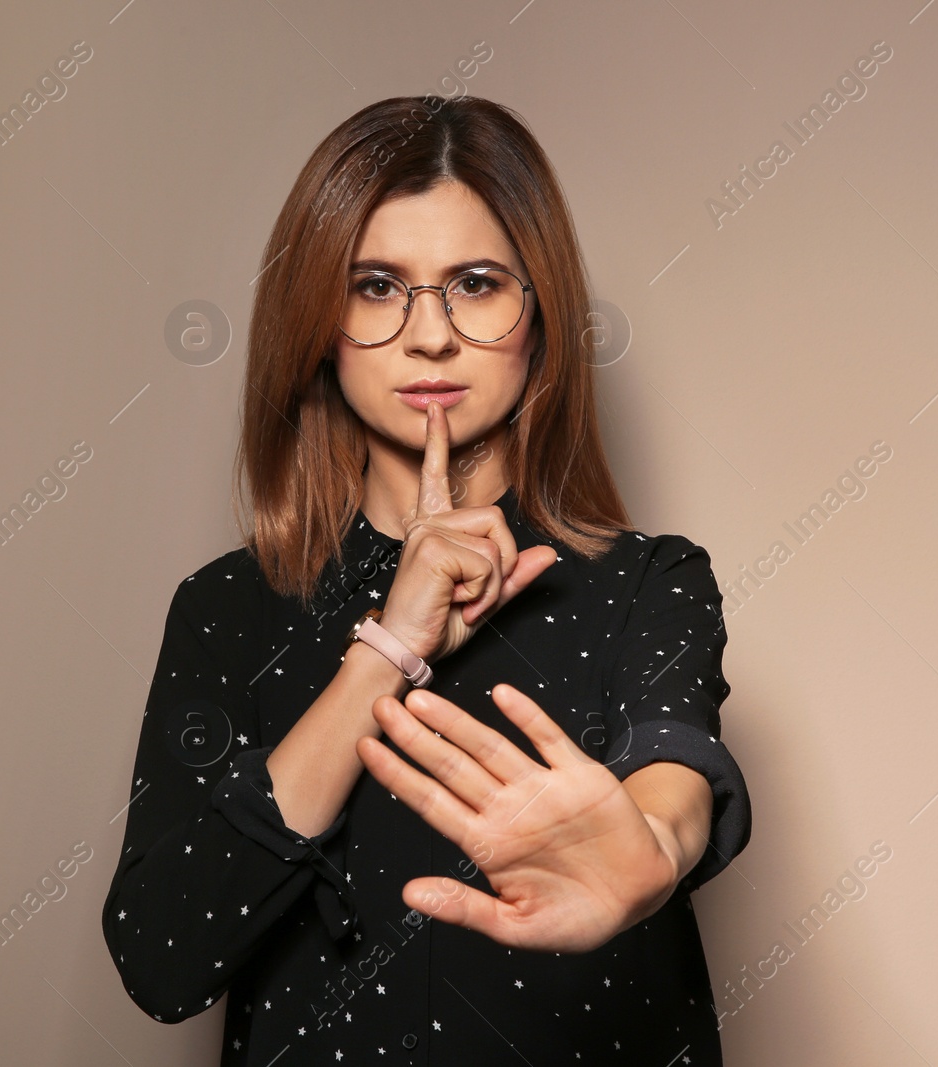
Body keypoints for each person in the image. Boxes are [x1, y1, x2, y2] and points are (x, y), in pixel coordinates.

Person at [102, 94, 752, 1065]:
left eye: (476, 283)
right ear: (318, 321)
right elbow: (161, 956)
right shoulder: (227, 607)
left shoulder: (646, 581)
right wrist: (387, 650)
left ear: (540, 317)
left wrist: (654, 849)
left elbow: (675, 763)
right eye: (375, 285)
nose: (429, 334)